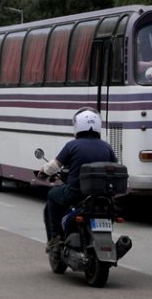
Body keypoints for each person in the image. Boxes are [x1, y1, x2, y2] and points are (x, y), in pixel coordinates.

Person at [39, 107, 118, 252]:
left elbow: (54, 166)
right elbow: (115, 166)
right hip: (104, 196)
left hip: (75, 194)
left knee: (52, 195)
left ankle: (55, 237)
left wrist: (42, 172)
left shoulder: (72, 145)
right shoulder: (107, 147)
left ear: (77, 126)